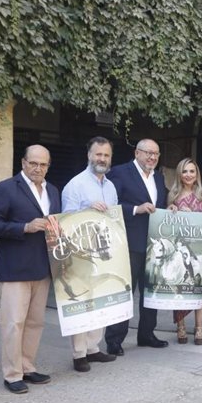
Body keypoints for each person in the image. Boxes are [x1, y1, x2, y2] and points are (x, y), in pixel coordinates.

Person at [0, 145, 61, 394]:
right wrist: (24, 227)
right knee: (13, 322)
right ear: (23, 162)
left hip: (43, 265)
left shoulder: (53, 190)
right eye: (33, 163)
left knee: (35, 322)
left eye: (43, 164)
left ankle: (27, 367)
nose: (38, 168)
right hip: (15, 266)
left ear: (49, 166)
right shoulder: (5, 188)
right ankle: (12, 374)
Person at [104, 139, 169, 356]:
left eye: (156, 154)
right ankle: (114, 339)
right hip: (128, 243)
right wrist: (135, 209)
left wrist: (170, 207)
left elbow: (159, 205)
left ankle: (146, 334)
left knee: (151, 293)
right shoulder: (120, 173)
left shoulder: (158, 177)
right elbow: (110, 204)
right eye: (148, 153)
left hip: (153, 244)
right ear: (137, 152)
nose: (152, 157)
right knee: (125, 293)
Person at [61, 137, 119, 372]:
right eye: (98, 154)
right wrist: (87, 209)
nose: (102, 159)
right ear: (89, 155)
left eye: (106, 155)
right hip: (81, 252)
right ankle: (79, 354)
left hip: (103, 251)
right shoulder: (75, 185)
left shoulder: (111, 186)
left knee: (100, 300)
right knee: (82, 300)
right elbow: (64, 219)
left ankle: (93, 348)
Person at [167, 158, 202, 345]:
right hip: (179, 249)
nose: (189, 175)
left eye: (192, 171)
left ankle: (199, 328)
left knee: (199, 290)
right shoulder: (173, 195)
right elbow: (167, 223)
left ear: (196, 174)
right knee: (179, 289)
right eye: (185, 171)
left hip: (198, 250)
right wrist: (170, 209)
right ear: (179, 174)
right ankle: (180, 327)